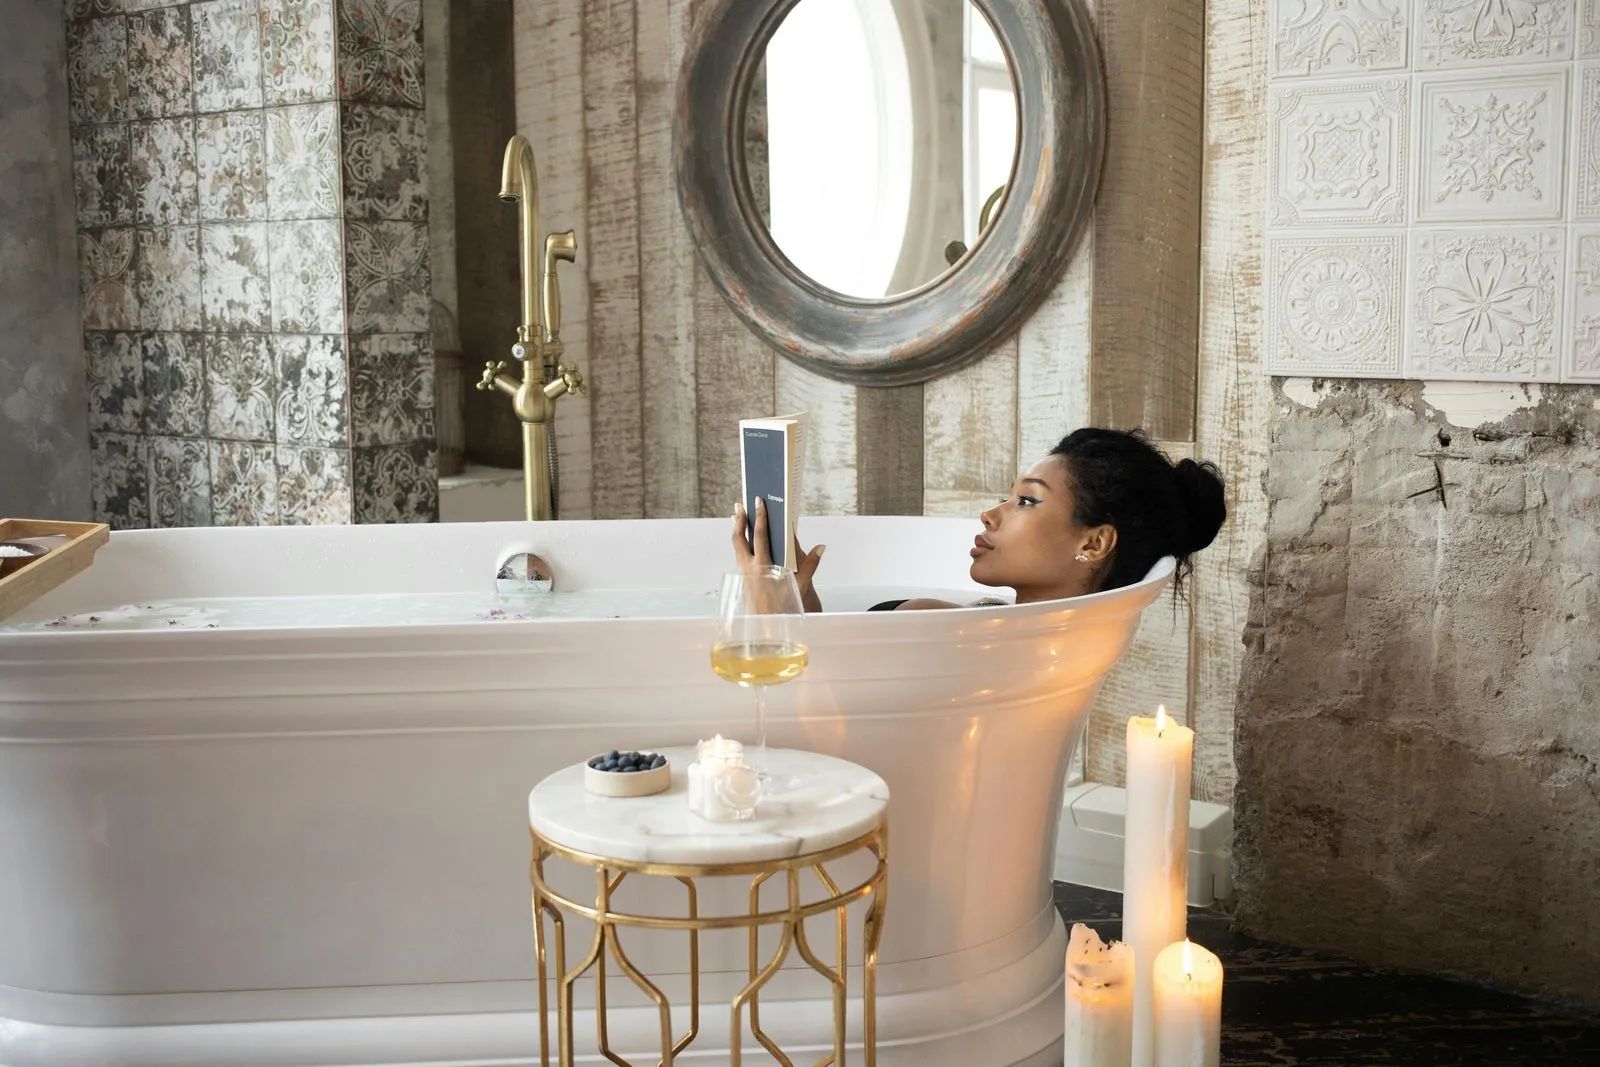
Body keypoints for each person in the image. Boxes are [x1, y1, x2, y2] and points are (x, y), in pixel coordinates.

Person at [730, 427, 1227, 612]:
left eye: (1026, 501)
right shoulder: (997, 634)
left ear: (1093, 544)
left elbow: (809, 719)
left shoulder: (968, 641)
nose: (990, 515)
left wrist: (769, 611)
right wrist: (796, 595)